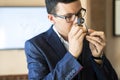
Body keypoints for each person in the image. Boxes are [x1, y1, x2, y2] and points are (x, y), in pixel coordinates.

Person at [25, 0, 118, 80]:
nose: (78, 21)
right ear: (51, 18)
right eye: (68, 17)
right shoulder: (35, 46)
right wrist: (72, 56)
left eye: (79, 13)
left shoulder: (89, 40)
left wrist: (98, 58)